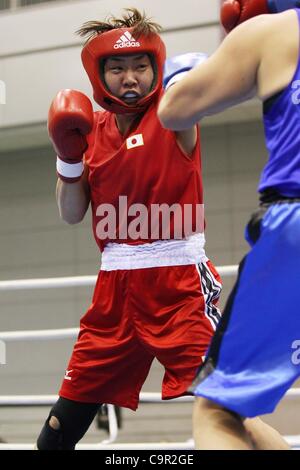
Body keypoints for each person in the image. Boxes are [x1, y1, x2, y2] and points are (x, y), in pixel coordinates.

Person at [36, 8, 223, 450]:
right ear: (99, 74)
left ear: (156, 67)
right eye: (117, 68)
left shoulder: (174, 111)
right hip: (114, 289)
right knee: (58, 432)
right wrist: (67, 157)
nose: (130, 77)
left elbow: (210, 82)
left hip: (178, 285)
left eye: (140, 65)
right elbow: (70, 213)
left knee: (224, 410)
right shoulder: (87, 130)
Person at [158, 0, 300, 450]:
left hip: (294, 227)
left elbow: (174, 110)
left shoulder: (276, 30)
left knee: (219, 410)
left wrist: (185, 74)